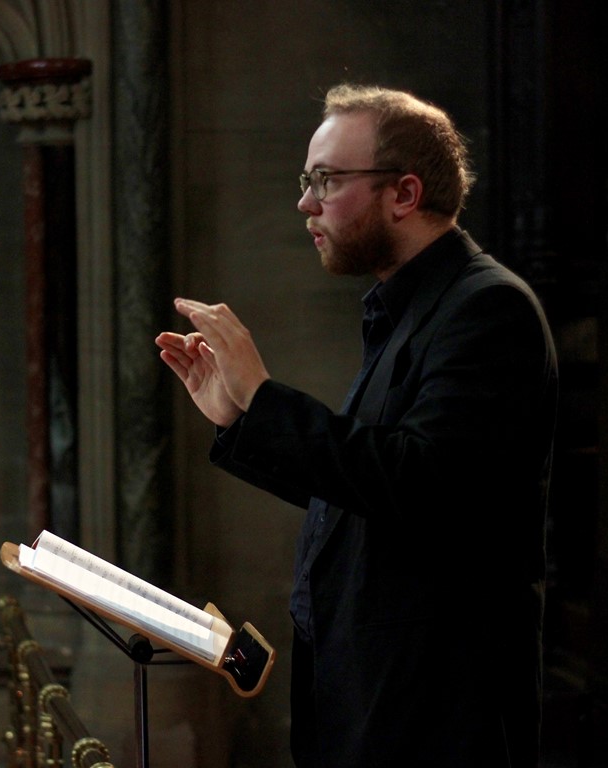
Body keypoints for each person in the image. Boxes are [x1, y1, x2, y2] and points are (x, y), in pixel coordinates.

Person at [156, 84, 558, 767]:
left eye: (327, 180)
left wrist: (264, 394)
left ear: (403, 194)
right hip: (376, 695)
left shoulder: (488, 309)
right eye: (306, 180)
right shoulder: (411, 305)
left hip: (433, 710)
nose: (305, 203)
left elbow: (422, 483)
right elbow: (366, 488)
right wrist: (240, 417)